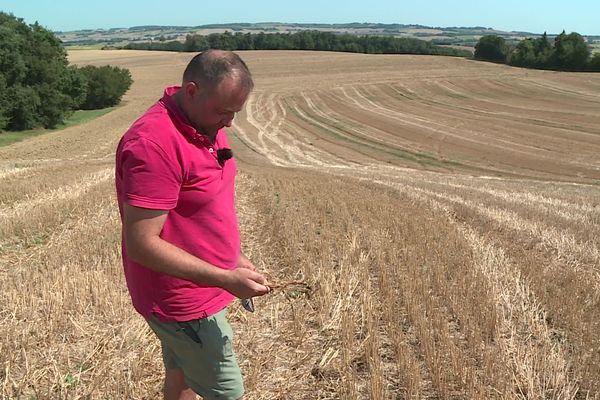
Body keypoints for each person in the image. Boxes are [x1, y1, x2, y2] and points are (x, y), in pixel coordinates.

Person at [115, 50, 270, 400]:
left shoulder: (205, 123)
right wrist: (225, 278)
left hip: (197, 286)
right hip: (182, 301)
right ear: (191, 91)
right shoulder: (154, 145)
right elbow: (141, 244)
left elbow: (202, 207)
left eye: (235, 112)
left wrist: (233, 257)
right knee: (227, 393)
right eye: (223, 111)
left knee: (182, 375)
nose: (229, 123)